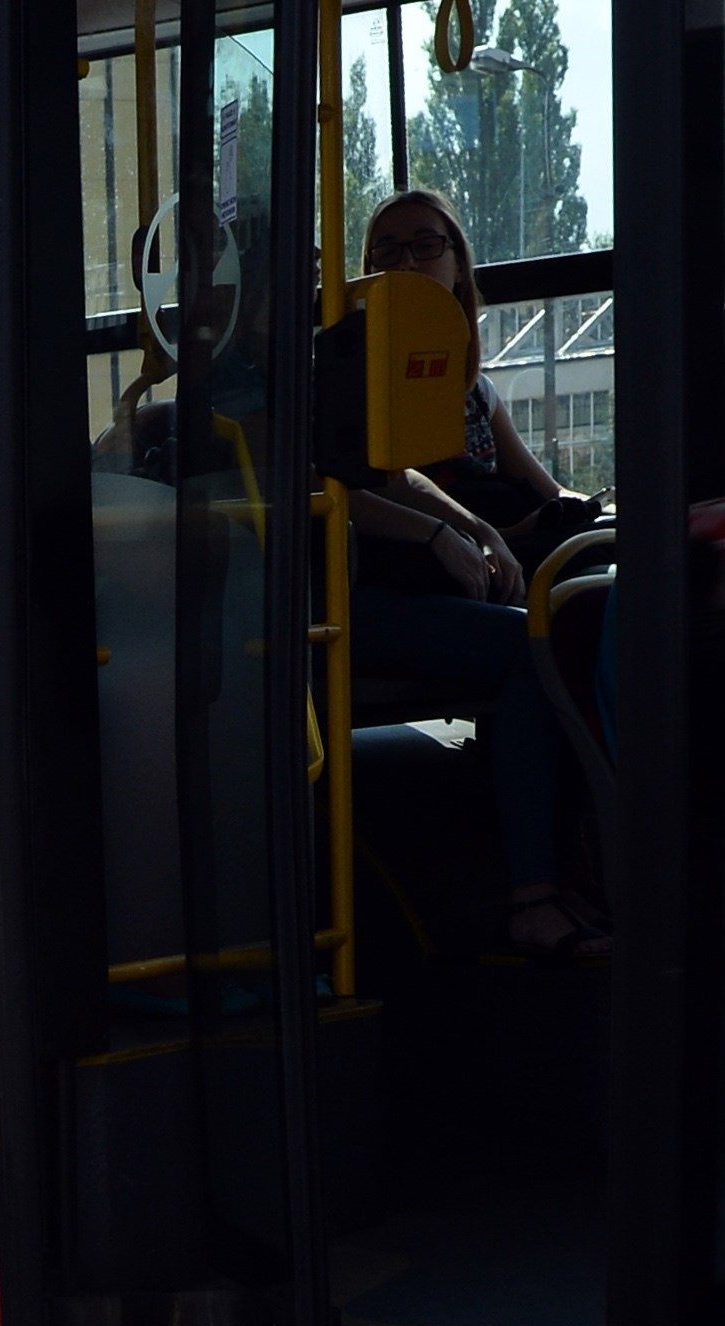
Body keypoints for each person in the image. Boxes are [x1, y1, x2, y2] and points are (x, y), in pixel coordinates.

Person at [344, 188, 607, 960]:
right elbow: (342, 486)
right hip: (372, 584)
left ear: (458, 264)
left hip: (465, 567)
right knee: (535, 650)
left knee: (582, 615)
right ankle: (533, 891)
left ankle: (580, 850)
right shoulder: (347, 370)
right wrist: (457, 531)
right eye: (386, 251)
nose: (406, 262)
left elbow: (539, 489)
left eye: (424, 245)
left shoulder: (469, 386)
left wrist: (584, 517)